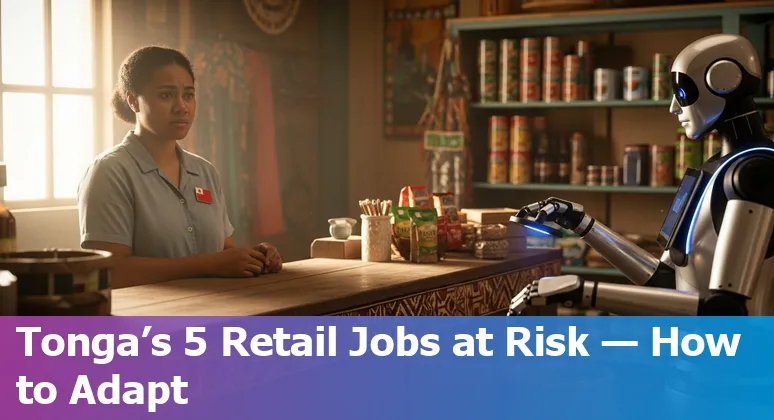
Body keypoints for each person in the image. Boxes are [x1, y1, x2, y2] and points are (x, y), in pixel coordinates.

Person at [77, 45, 282, 289]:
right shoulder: (109, 172)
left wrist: (255, 258)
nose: (182, 107)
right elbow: (110, 271)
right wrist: (208, 264)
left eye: (188, 95)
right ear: (133, 101)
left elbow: (225, 251)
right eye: (166, 95)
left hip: (219, 313)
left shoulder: (205, 172)